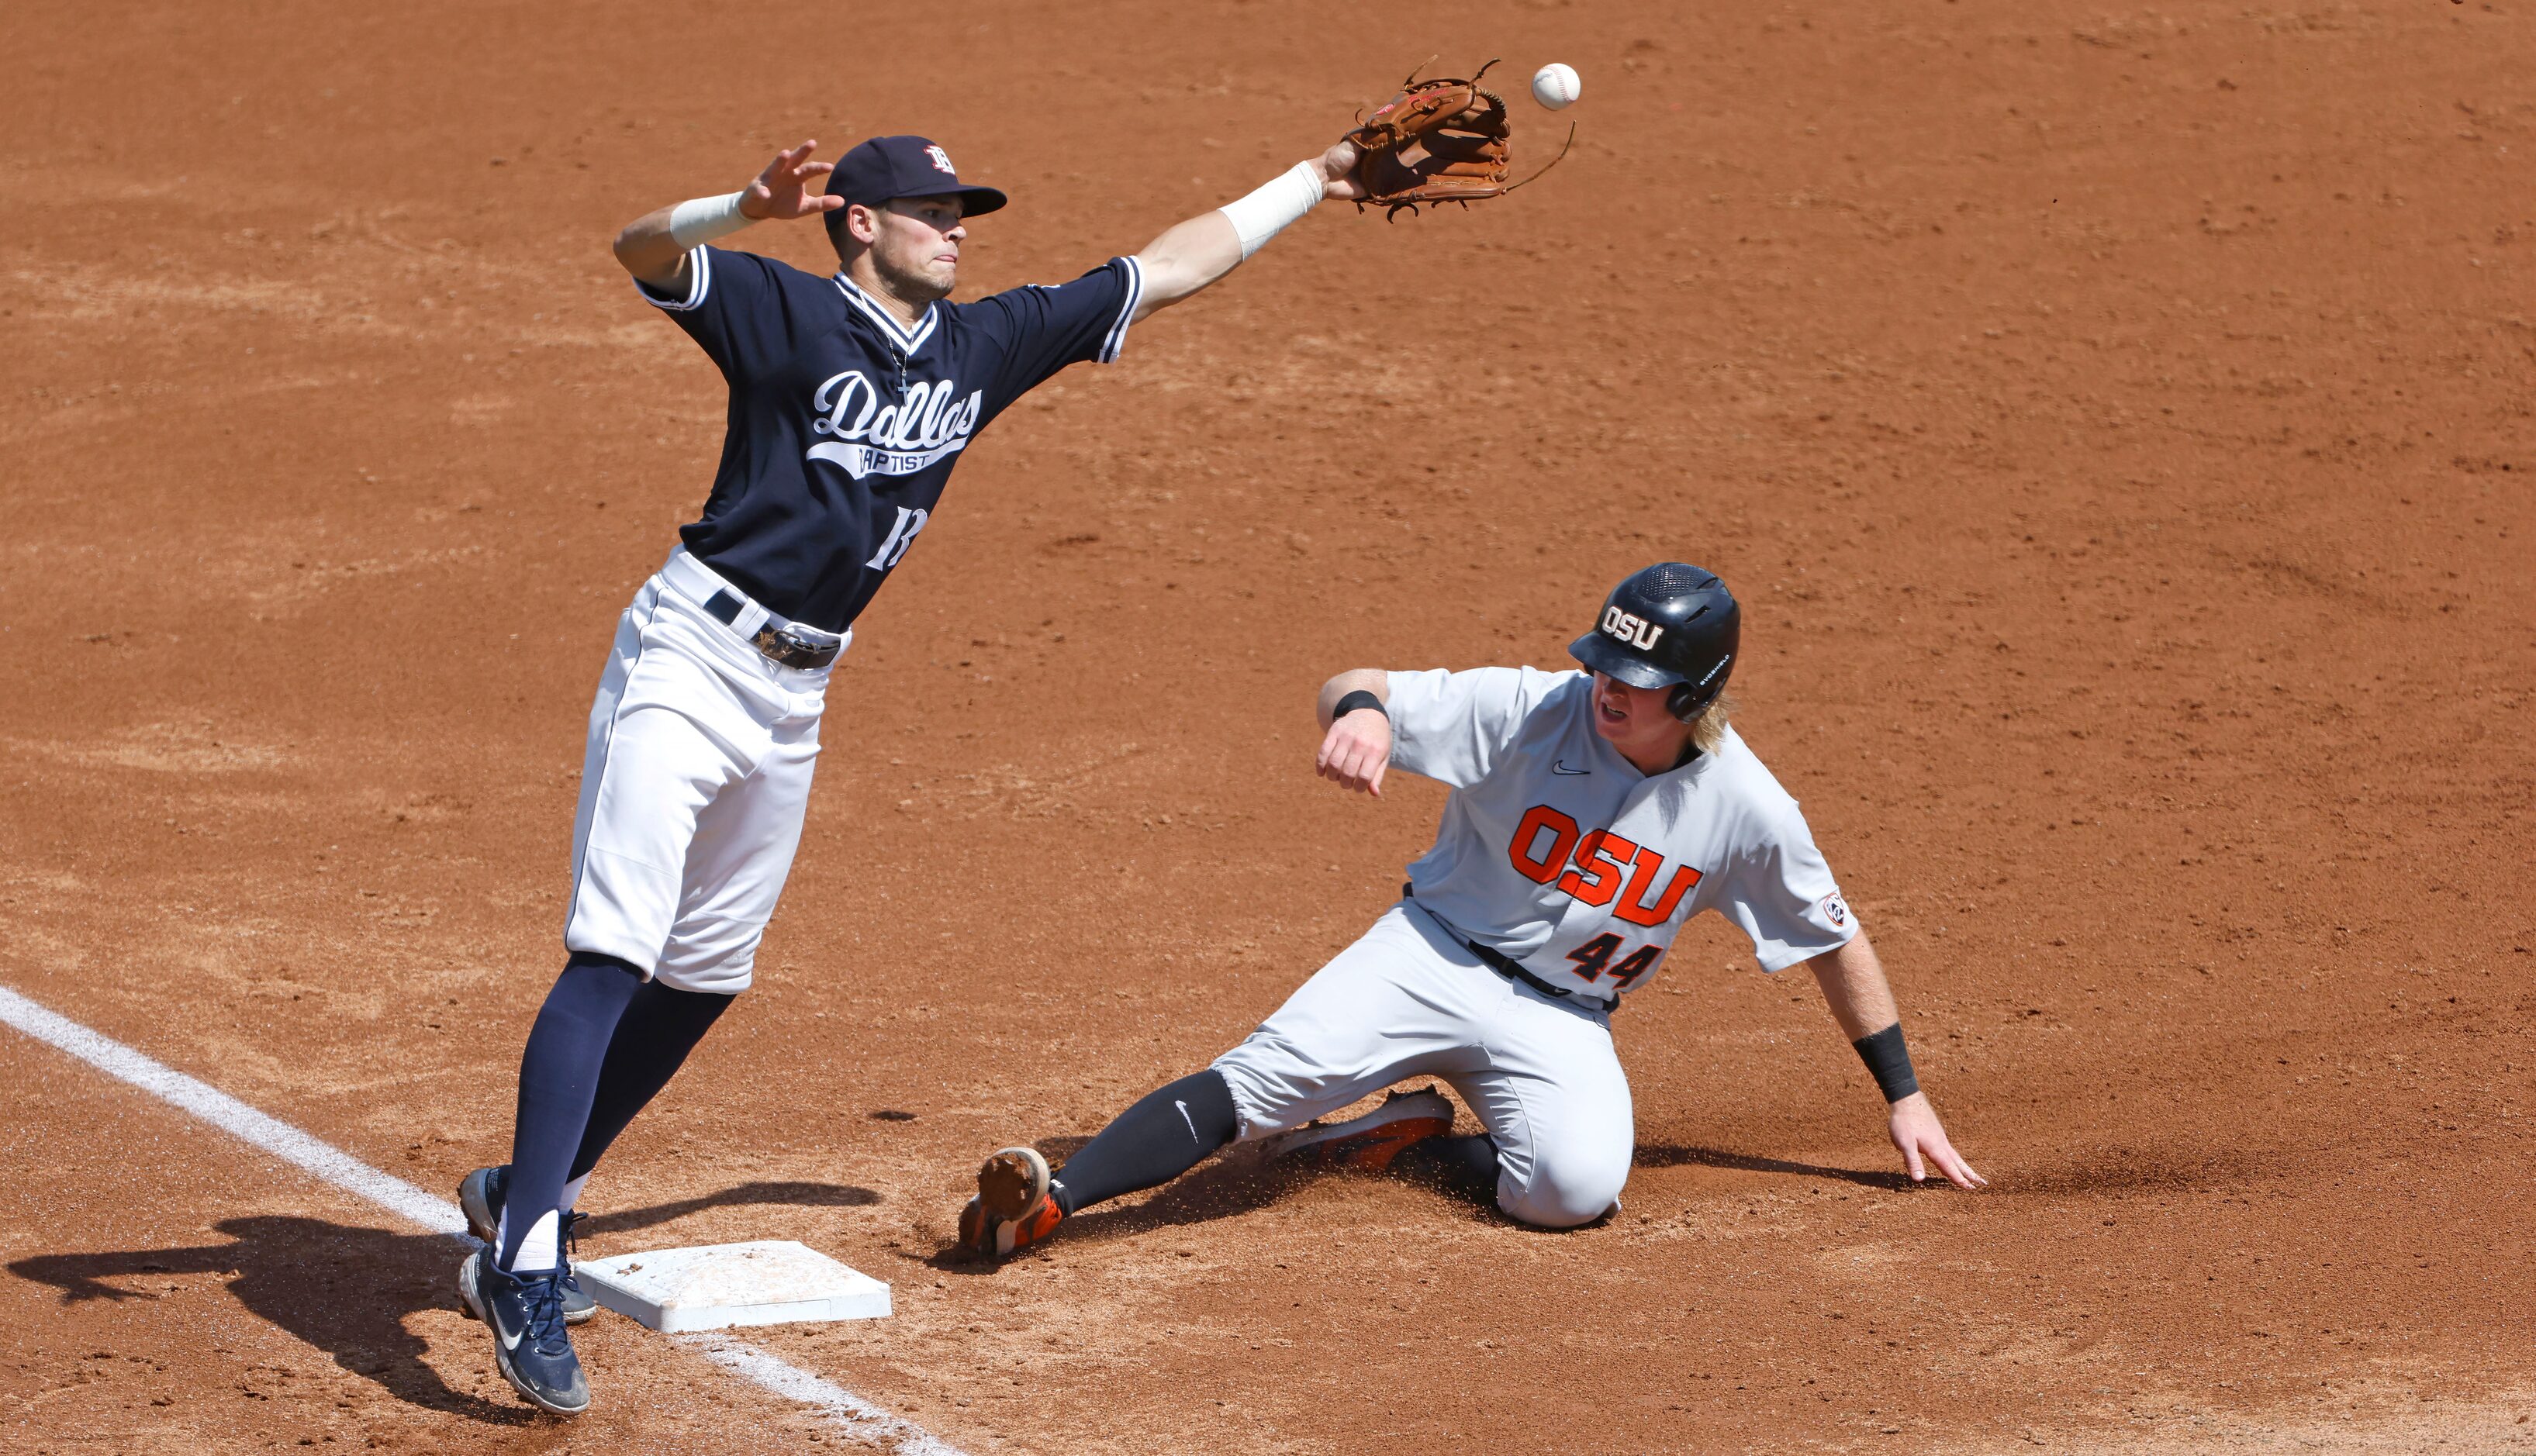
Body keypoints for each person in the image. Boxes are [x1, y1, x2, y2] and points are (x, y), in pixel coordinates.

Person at [453, 129, 1373, 1416]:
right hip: (689, 657)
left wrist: (1314, 182)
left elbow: (1163, 269)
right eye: (933, 211)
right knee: (614, 949)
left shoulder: (976, 347)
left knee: (707, 970)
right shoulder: (777, 305)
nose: (959, 227)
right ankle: (527, 1259)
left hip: (796, 690)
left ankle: (524, 1187)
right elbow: (639, 253)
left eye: (963, 211)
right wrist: (740, 207)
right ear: (861, 225)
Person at [955, 563, 1984, 1260]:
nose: (1604, 690)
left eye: (1633, 681)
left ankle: (1400, 1135)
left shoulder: (1748, 811)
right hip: (1427, 954)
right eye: (1601, 665)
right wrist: (1357, 716)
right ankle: (1051, 1202)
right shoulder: (1532, 705)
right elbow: (1355, 682)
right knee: (1257, 1078)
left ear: (1695, 693)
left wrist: (1902, 1095)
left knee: (1570, 1194)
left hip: (1560, 1018)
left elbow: (1830, 937)